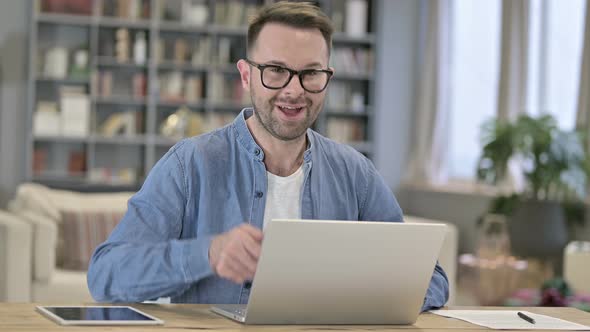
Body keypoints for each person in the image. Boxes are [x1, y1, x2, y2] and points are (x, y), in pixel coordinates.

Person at [88, 1, 449, 311]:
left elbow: (432, 279)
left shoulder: (356, 174)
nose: (294, 90)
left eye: (310, 73)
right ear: (246, 76)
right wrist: (207, 254)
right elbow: (106, 274)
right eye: (276, 71)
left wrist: (356, 291)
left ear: (328, 78)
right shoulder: (189, 165)